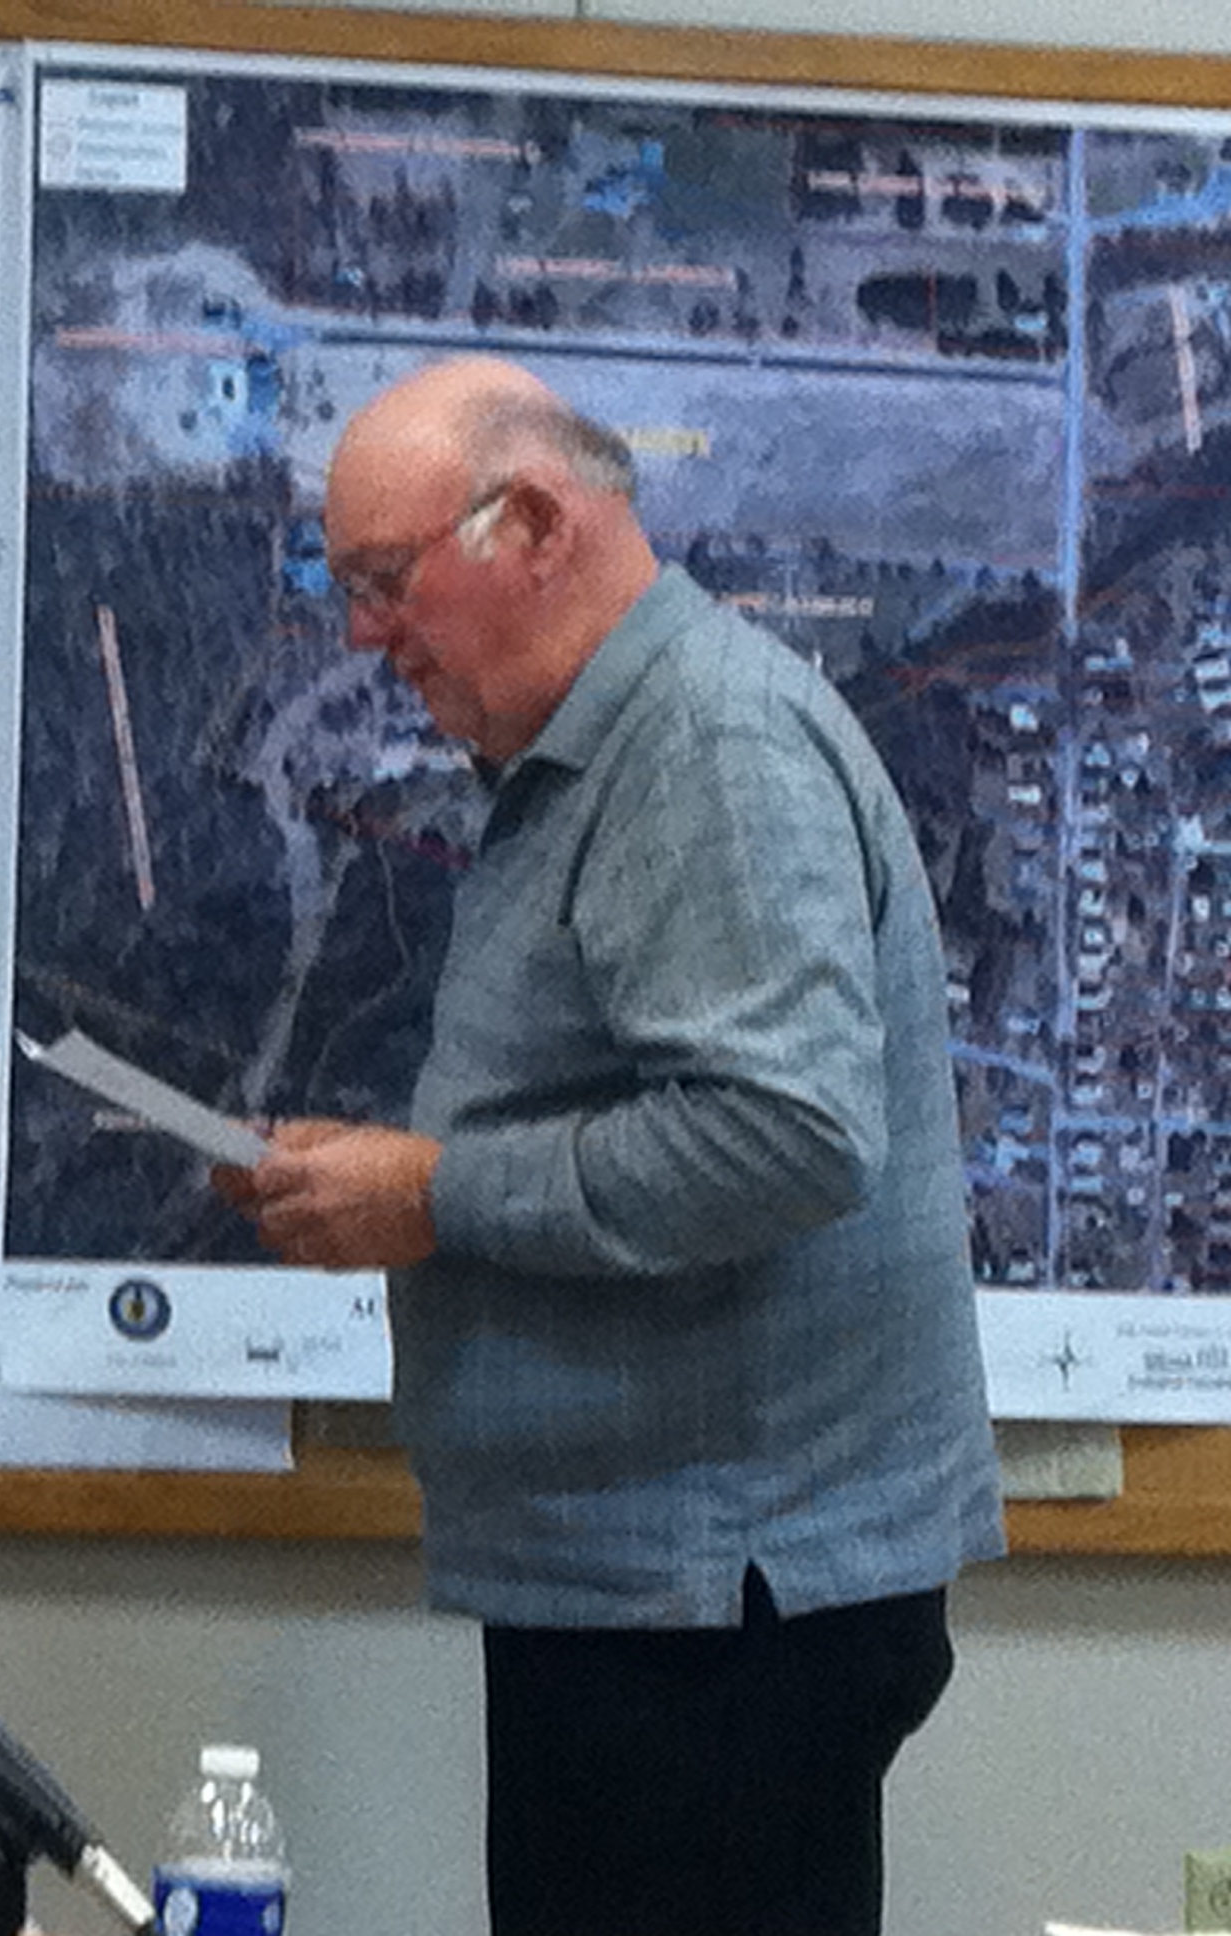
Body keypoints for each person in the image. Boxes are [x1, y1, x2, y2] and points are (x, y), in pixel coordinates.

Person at [221, 357, 1004, 1936]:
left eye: (385, 580)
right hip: (664, 1590)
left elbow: (782, 1135)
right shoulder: (616, 737)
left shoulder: (704, 745)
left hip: (721, 1612)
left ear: (535, 525)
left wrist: (437, 1194)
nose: (363, 633)